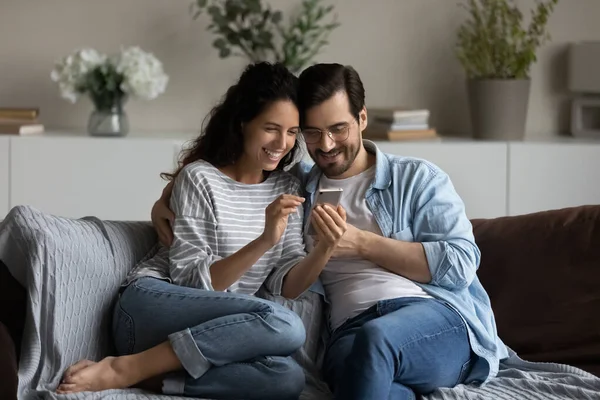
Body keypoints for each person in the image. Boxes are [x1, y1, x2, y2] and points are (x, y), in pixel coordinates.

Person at [151, 63, 510, 400]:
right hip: (346, 333)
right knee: (367, 378)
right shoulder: (297, 188)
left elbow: (461, 264)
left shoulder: (416, 178)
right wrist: (167, 198)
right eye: (312, 133)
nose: (326, 145)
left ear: (362, 118)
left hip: (429, 319)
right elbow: (233, 182)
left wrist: (363, 244)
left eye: (338, 128)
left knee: (376, 340)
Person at [55, 62, 348, 400]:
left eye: (292, 131)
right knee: (285, 324)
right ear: (243, 123)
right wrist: (265, 240)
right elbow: (191, 283)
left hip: (210, 336)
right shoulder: (200, 179)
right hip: (150, 310)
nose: (282, 142)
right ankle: (125, 368)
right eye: (271, 128)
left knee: (287, 378)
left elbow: (289, 286)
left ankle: (152, 377)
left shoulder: (288, 186)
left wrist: (325, 248)